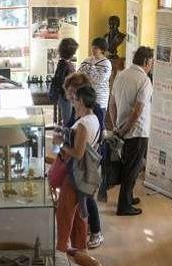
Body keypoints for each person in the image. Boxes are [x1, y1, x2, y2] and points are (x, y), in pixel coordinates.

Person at [54, 86, 100, 253]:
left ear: (81, 101)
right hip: (85, 174)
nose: (72, 103)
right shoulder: (94, 119)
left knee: (64, 214)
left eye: (74, 100)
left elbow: (78, 153)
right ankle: (80, 249)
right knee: (81, 213)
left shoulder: (83, 124)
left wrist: (61, 143)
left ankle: (62, 249)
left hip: (75, 174)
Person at [109, 46, 153, 216]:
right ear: (146, 62)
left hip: (122, 129)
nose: (152, 66)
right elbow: (137, 111)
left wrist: (116, 127)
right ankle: (124, 205)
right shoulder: (144, 81)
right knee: (132, 168)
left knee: (128, 165)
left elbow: (111, 104)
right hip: (137, 131)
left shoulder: (121, 75)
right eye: (151, 63)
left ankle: (128, 196)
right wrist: (126, 129)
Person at [63, 72, 106, 249]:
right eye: (69, 91)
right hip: (83, 159)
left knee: (87, 196)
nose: (69, 95)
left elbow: (93, 135)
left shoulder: (92, 110)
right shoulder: (80, 106)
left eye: (72, 91)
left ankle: (96, 231)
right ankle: (86, 229)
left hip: (88, 159)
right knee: (84, 196)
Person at [50, 38, 78, 127]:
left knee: (68, 119)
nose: (74, 53)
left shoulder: (64, 63)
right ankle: (67, 139)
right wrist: (68, 94)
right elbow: (62, 82)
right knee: (68, 121)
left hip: (67, 96)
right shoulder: (64, 64)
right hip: (66, 97)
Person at [78, 38, 112, 111]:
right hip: (86, 97)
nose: (93, 50)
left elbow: (99, 80)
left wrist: (92, 67)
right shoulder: (86, 60)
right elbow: (79, 75)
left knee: (99, 121)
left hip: (100, 99)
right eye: (92, 47)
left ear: (102, 50)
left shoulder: (106, 63)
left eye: (96, 48)